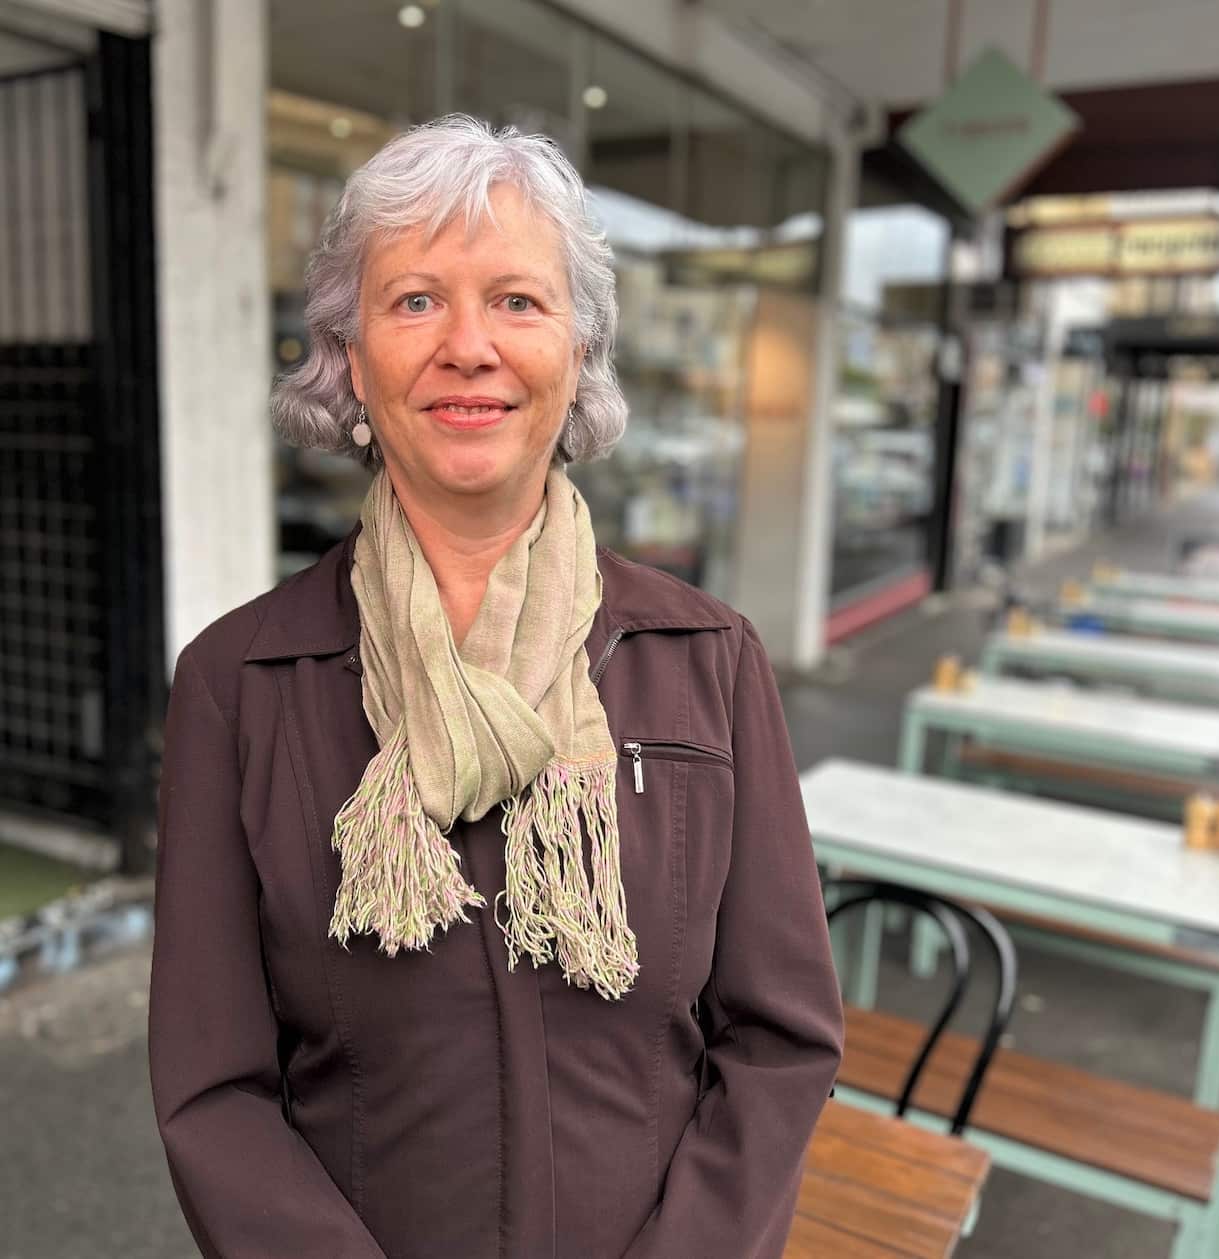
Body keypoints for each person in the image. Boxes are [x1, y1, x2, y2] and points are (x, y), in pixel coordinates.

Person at [149, 114, 843, 1259]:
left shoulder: (706, 657)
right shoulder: (239, 681)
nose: (468, 345)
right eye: (414, 299)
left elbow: (778, 1041)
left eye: (517, 301)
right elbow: (212, 1089)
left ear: (575, 354)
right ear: (350, 359)